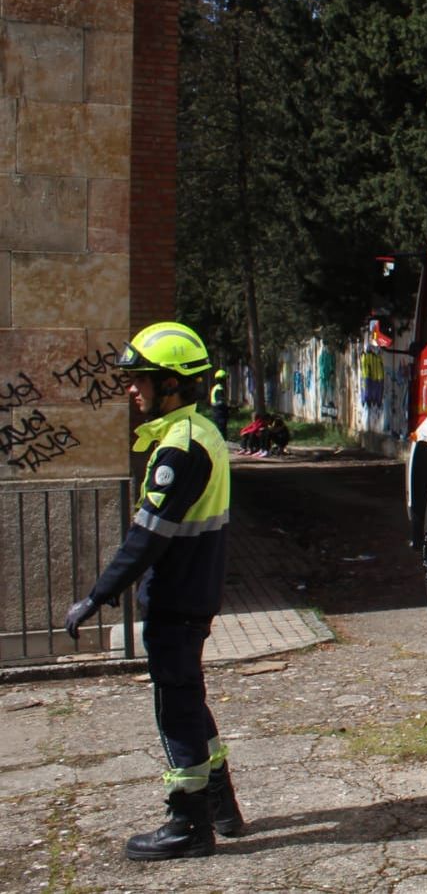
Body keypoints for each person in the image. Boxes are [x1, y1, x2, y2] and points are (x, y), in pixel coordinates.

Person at [63, 321, 245, 860]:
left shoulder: (180, 450)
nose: (130, 388)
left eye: (141, 379)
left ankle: (188, 824)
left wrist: (97, 596)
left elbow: (145, 539)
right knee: (190, 699)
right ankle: (221, 805)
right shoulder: (198, 434)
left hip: (175, 599)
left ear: (172, 384)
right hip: (193, 594)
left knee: (176, 709)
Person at [209, 369, 229, 436]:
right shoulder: (219, 389)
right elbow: (221, 402)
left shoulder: (215, 388)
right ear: (223, 380)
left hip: (216, 411)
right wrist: (228, 408)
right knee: (222, 431)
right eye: (225, 379)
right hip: (219, 412)